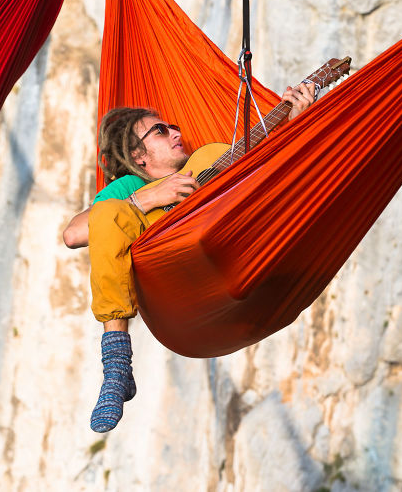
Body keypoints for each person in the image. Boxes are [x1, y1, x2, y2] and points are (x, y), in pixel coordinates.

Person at [63, 81, 317, 433]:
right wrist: (149, 198)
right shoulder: (131, 187)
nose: (176, 133)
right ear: (139, 157)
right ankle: (116, 363)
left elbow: (275, 181)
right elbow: (74, 233)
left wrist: (298, 125)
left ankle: (117, 367)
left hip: (239, 263)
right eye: (160, 131)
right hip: (176, 286)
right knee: (108, 214)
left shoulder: (211, 158)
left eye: (173, 127)